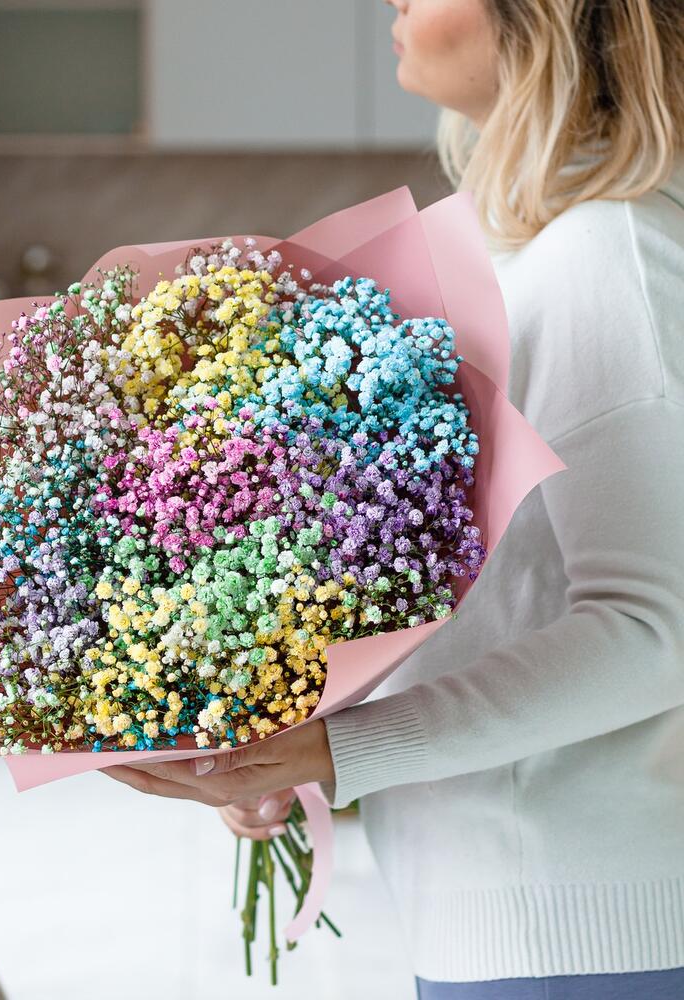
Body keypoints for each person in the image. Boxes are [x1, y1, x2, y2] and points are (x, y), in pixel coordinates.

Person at [102, 1, 684, 996]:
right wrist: (279, 733)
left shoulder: (606, 252)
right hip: (527, 911)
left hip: (584, 923)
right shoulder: (542, 248)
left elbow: (654, 630)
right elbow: (506, 599)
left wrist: (339, 747)